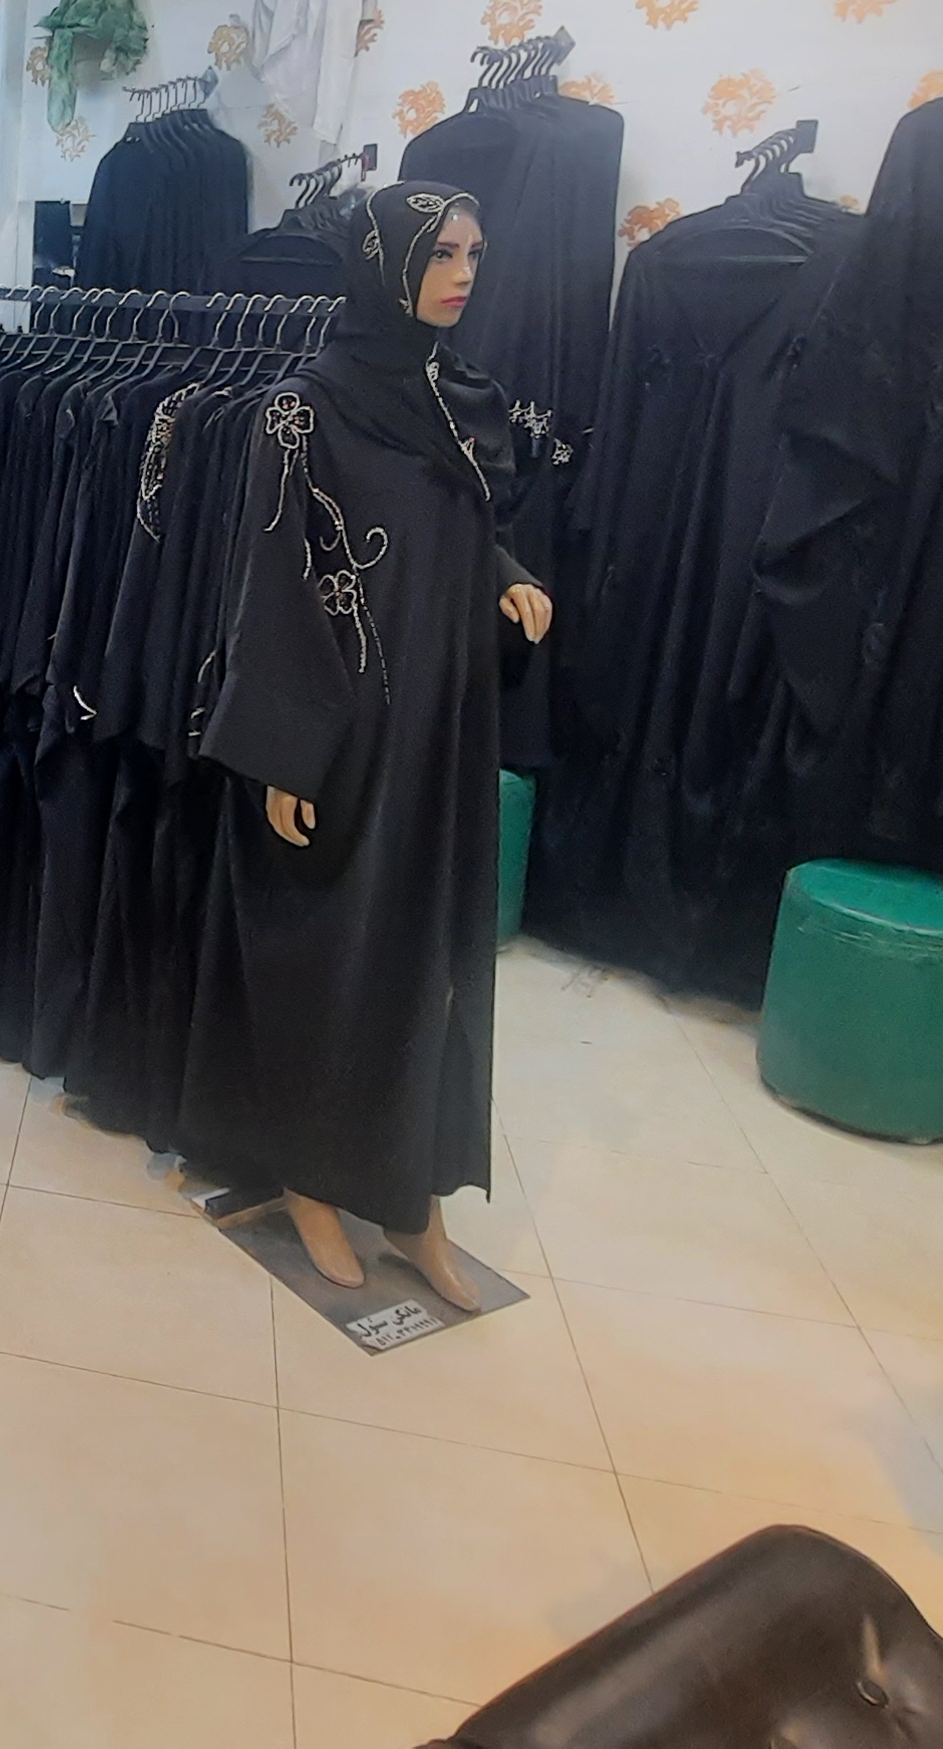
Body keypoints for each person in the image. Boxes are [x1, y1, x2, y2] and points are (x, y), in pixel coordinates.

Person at [186, 182, 547, 1307]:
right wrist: (281, 753)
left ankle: (411, 1200)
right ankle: (309, 1178)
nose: (463, 275)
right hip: (341, 734)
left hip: (444, 727)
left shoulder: (460, 398)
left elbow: (459, 529)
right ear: (384, 261)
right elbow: (270, 581)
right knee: (335, 963)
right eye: (440, 254)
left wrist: (506, 577)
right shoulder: (305, 410)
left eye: (474, 253)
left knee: (429, 968)